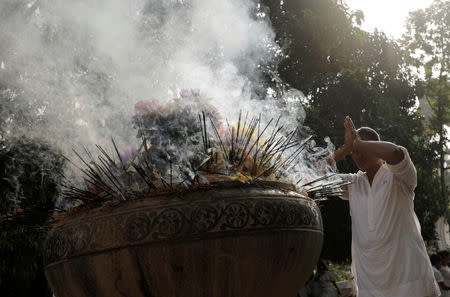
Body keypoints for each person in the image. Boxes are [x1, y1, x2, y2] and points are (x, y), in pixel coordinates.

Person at [329, 116, 440, 297]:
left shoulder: (399, 176)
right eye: (355, 151)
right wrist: (347, 148)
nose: (358, 155)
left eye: (364, 147)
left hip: (410, 282)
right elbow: (314, 176)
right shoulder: (353, 183)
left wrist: (358, 143)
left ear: (377, 147)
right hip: (370, 286)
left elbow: (396, 153)